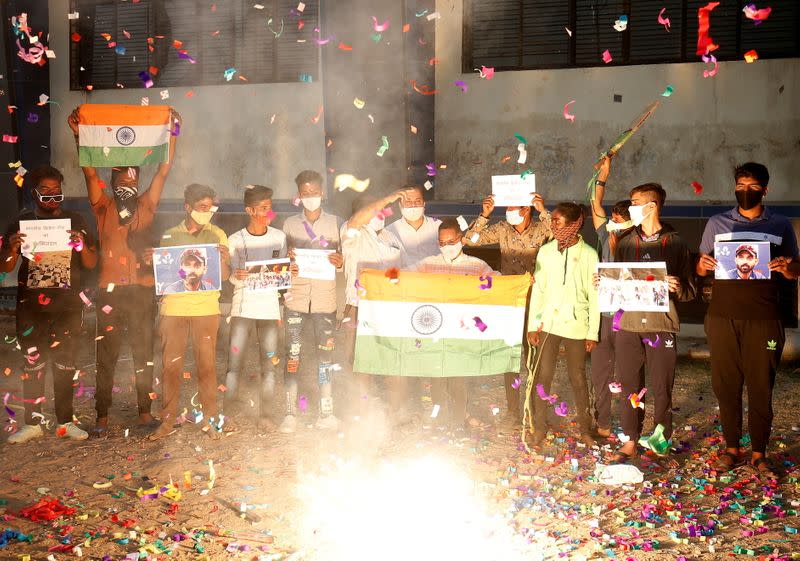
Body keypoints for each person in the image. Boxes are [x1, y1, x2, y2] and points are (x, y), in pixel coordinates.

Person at [68, 107, 180, 435]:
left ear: (138, 181)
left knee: (143, 353)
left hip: (142, 291)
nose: (127, 183)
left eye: (133, 179)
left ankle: (144, 414)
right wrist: (79, 136)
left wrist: (173, 133)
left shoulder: (146, 206)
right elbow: (89, 174)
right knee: (107, 354)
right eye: (121, 179)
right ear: (114, 182)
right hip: (111, 292)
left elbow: (164, 170)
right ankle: (101, 417)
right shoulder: (103, 208)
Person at [697, 162, 799, 478]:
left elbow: (796, 269)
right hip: (722, 316)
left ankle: (759, 452)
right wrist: (702, 265)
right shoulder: (717, 223)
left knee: (760, 385)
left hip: (764, 316)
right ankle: (731, 448)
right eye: (741, 185)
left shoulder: (780, 224)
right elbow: (701, 271)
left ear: (765, 189)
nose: (746, 191)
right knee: (726, 384)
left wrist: (787, 268)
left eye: (753, 186)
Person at [2, 166, 98, 444]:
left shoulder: (75, 219)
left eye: (57, 190)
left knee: (66, 364)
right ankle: (32, 422)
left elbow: (91, 262)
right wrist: (11, 248)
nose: (53, 196)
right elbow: (5, 266)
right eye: (45, 191)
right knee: (33, 363)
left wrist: (82, 246)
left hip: (68, 305)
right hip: (30, 305)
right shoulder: (21, 224)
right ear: (33, 193)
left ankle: (65, 421)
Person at [610, 183, 696, 463]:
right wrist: (605, 283)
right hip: (629, 326)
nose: (630, 207)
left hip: (661, 325)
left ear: (651, 206)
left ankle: (660, 441)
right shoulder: (624, 243)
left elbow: (691, 290)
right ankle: (630, 440)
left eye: (635, 202)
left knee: (661, 387)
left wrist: (677, 285)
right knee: (629, 385)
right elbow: (618, 284)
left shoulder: (677, 243)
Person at [150, 184, 231, 440]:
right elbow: (163, 275)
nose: (208, 212)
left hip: (206, 309)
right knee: (170, 367)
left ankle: (210, 420)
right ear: (188, 207)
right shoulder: (170, 236)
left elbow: (225, 277)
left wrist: (225, 259)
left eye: (210, 208)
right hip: (174, 309)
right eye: (202, 208)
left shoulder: (218, 234)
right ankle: (167, 420)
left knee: (207, 367)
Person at [465, 192, 552, 422]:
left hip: (536, 300)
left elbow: (560, 236)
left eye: (516, 208)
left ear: (527, 209)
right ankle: (513, 410)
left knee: (534, 358)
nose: (510, 212)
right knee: (510, 358)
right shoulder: (503, 228)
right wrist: (484, 216)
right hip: (510, 301)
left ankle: (535, 409)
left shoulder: (541, 228)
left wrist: (543, 211)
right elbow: (469, 240)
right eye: (508, 208)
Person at [525, 203, 598, 448]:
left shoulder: (589, 254)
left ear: (574, 223)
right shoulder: (545, 252)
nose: (553, 224)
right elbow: (539, 290)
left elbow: (594, 295)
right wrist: (533, 325)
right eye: (552, 220)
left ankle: (586, 429)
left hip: (577, 325)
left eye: (558, 221)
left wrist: (593, 331)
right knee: (542, 376)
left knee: (577, 378)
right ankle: (539, 427)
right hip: (548, 324)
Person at [281, 170, 343, 433]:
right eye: (305, 194)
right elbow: (281, 264)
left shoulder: (337, 224)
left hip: (324, 301)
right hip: (296, 299)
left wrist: (339, 263)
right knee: (292, 356)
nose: (310, 197)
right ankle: (290, 413)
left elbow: (344, 261)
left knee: (325, 357)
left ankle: (326, 414)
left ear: (323, 193)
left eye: (314, 193)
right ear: (299, 196)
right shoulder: (288, 225)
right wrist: (289, 264)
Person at [417, 218, 493, 429]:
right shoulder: (427, 264)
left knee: (458, 380)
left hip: (462, 334)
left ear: (461, 239)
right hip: (436, 332)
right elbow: (406, 278)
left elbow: (498, 284)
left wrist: (521, 283)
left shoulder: (477, 266)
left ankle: (459, 422)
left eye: (451, 241)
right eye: (442, 243)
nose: (446, 246)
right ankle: (440, 422)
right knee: (437, 381)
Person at [340, 189, 408, 424]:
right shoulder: (352, 233)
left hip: (389, 309)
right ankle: (361, 411)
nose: (380, 212)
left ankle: (395, 411)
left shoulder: (391, 238)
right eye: (373, 209)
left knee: (392, 361)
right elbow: (358, 220)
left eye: (381, 209)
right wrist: (389, 197)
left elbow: (406, 272)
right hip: (360, 308)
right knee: (361, 363)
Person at [224, 185, 287, 429]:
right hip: (242, 308)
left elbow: (281, 273)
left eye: (270, 208)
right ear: (249, 210)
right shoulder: (236, 239)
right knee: (234, 366)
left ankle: (266, 415)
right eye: (263, 208)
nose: (268, 213)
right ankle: (227, 415)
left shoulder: (278, 236)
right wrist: (236, 275)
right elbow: (230, 276)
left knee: (269, 365)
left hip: (269, 308)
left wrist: (289, 272)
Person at [588, 156, 632, 438]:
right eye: (613, 218)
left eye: (620, 219)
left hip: (629, 318)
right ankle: (602, 423)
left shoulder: (638, 238)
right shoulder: (605, 233)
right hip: (604, 316)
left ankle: (631, 427)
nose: (614, 222)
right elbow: (595, 203)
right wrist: (603, 174)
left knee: (628, 376)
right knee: (600, 373)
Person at [386, 185, 441, 269]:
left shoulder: (438, 226)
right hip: (405, 280)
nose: (413, 205)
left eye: (417, 201)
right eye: (408, 202)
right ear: (400, 205)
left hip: (434, 278)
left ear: (424, 203)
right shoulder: (390, 231)